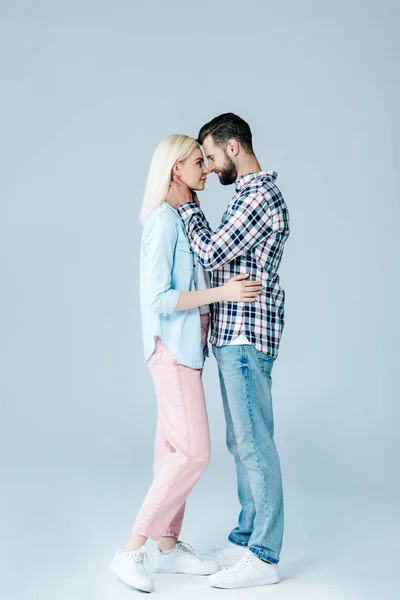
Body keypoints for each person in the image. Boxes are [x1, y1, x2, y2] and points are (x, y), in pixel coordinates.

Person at [110, 134, 262, 593]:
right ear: (176, 170)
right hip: (171, 353)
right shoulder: (162, 222)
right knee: (195, 453)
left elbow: (193, 277)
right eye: (199, 162)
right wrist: (222, 293)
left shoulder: (180, 218)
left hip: (187, 354)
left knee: (174, 454)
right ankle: (130, 550)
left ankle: (169, 548)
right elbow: (159, 298)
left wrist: (213, 302)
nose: (208, 170)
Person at [166, 114, 290, 590]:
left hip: (245, 338)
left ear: (234, 147)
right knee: (243, 443)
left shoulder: (258, 196)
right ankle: (244, 539)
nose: (212, 169)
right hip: (233, 335)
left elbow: (214, 253)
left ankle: (263, 554)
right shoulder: (248, 197)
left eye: (213, 156)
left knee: (255, 444)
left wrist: (187, 208)